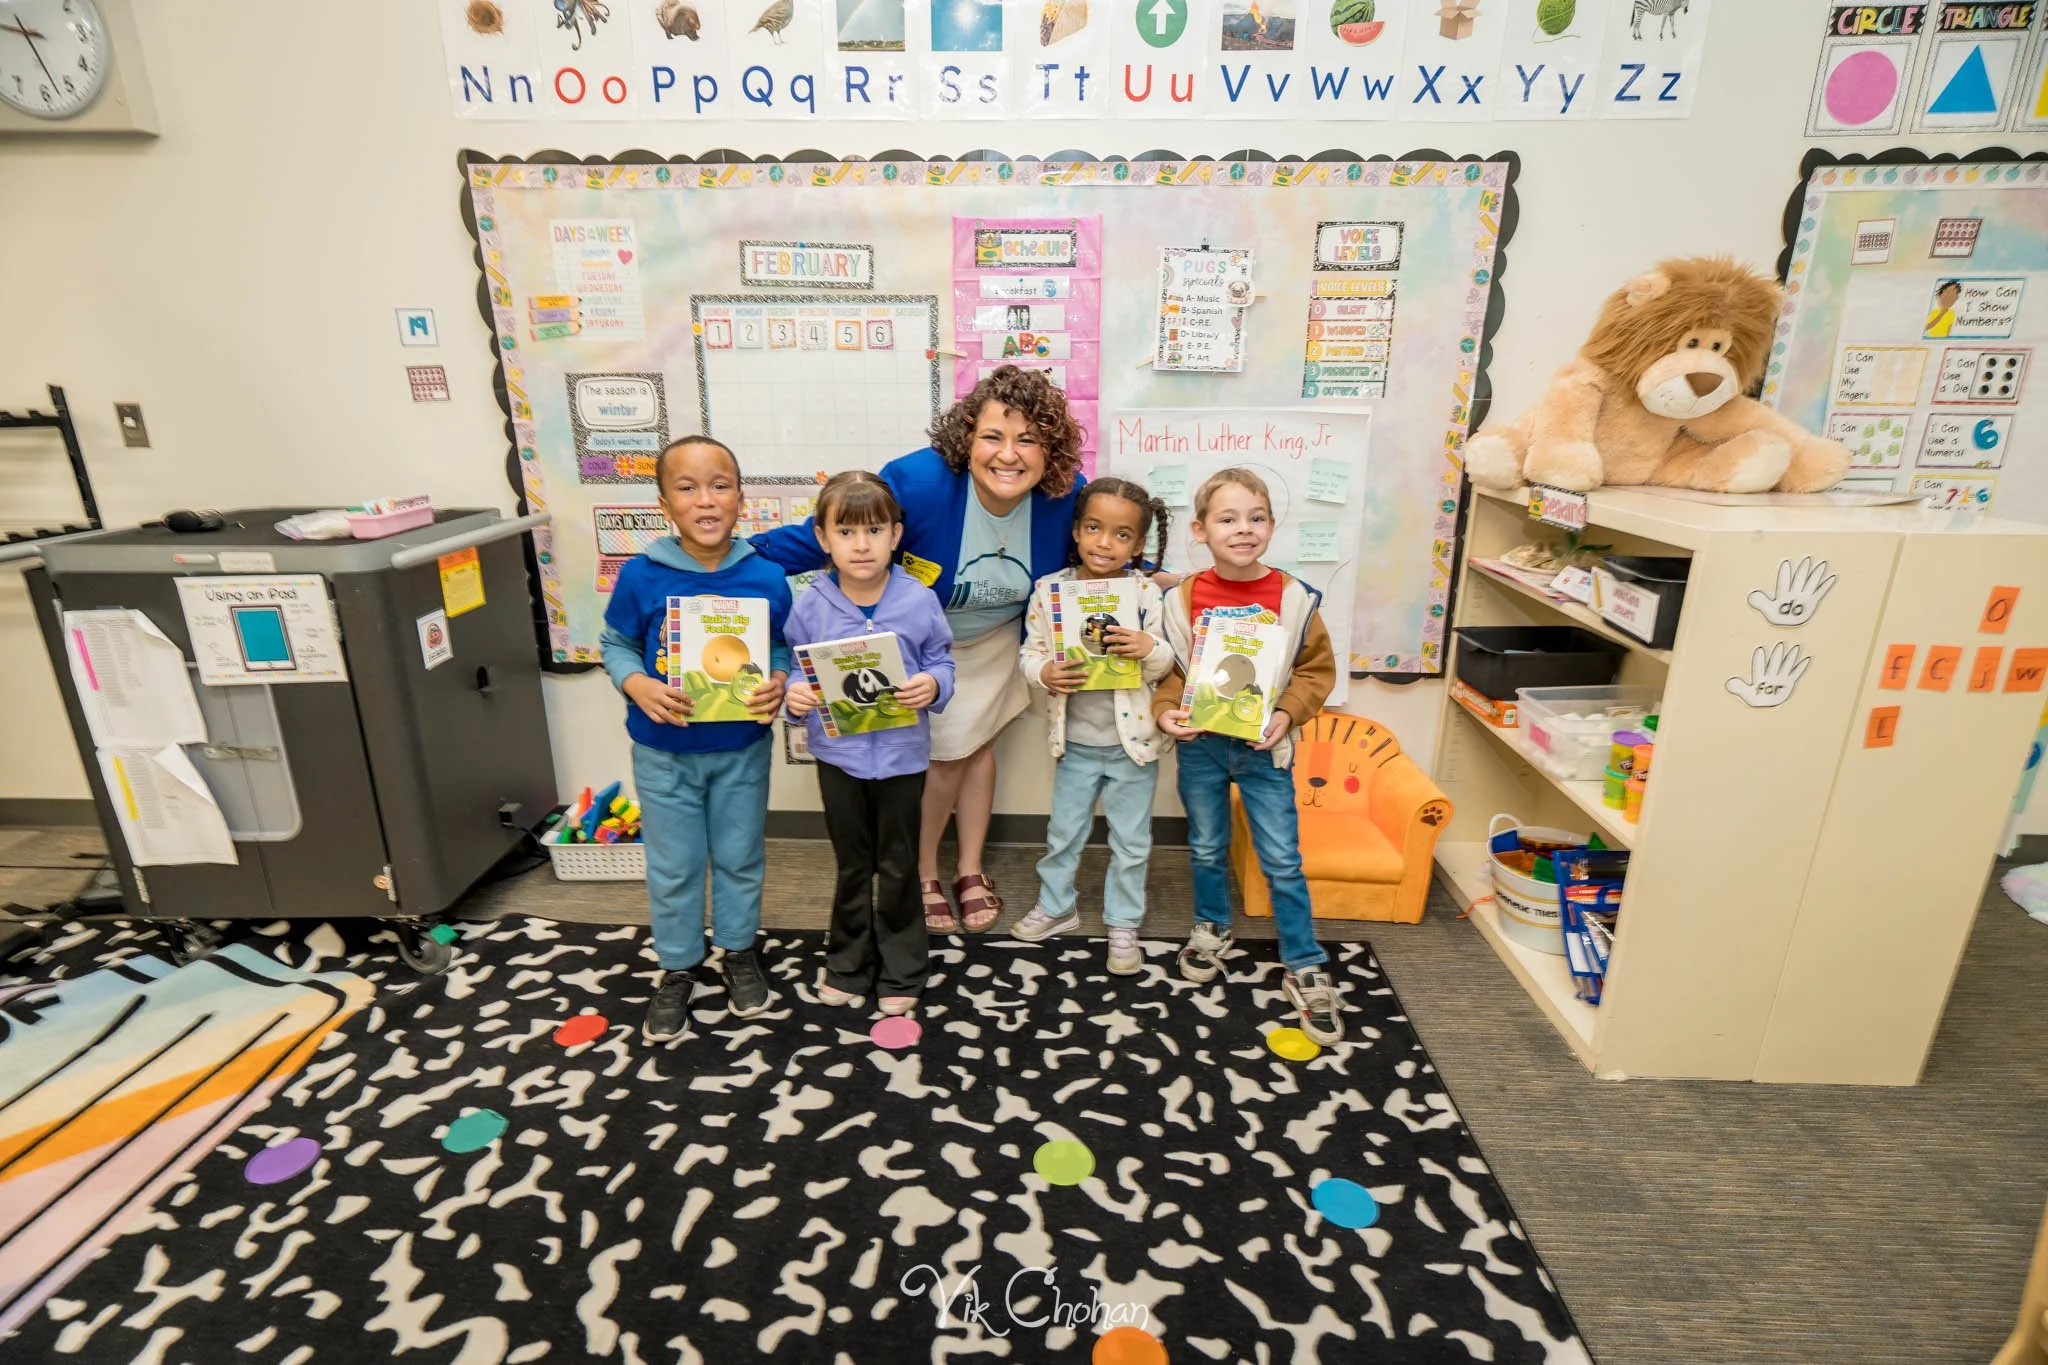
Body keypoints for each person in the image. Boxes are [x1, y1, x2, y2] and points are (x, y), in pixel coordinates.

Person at [752, 366, 1085, 935]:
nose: (1009, 455)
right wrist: (737, 558)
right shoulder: (918, 482)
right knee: (944, 757)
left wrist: (1158, 581)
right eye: (993, 437)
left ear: (1049, 450)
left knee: (975, 749)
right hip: (920, 645)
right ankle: (925, 872)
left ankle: (971, 868)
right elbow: (835, 532)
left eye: (1028, 439)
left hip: (999, 640)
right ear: (966, 440)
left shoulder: (1064, 494)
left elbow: (1103, 549)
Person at [601, 436, 792, 1043]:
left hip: (741, 750)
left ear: (741, 498)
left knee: (740, 857)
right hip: (664, 752)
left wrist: (781, 678)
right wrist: (637, 685)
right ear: (665, 503)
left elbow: (782, 643)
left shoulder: (766, 575)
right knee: (675, 866)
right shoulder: (641, 575)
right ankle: (679, 965)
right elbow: (615, 643)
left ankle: (737, 952)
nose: (705, 500)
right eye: (687, 488)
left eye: (720, 485)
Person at [1152, 468, 1345, 1045]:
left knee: (1282, 858)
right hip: (1202, 749)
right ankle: (1212, 927)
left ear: (1271, 525)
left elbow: (1315, 672)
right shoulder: (1181, 600)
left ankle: (1304, 961)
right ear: (1201, 530)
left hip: (1265, 751)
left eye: (1256, 518)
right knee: (1207, 847)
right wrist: (1167, 714)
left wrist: (1286, 713)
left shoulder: (1293, 599)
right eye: (1228, 519)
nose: (1243, 530)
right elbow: (1171, 671)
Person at [784, 471, 956, 1015]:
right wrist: (795, 694)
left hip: (904, 757)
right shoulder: (811, 602)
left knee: (901, 863)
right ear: (823, 539)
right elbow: (795, 666)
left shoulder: (917, 598)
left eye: (875, 531)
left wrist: (933, 685)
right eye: (847, 532)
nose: (861, 545)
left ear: (896, 536)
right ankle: (847, 963)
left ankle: (904, 968)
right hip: (839, 757)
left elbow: (941, 661)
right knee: (853, 864)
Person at [1012, 478, 1174, 975]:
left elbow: (1169, 661)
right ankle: (1057, 905)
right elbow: (1029, 653)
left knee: (1131, 840)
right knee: (1064, 832)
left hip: (1133, 747)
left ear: (1139, 544)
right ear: (1078, 532)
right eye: (1094, 528)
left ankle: (1123, 921)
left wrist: (1149, 651)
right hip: (1075, 744)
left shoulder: (1146, 593)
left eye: (1122, 535)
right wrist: (1043, 673)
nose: (1106, 543)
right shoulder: (1051, 590)